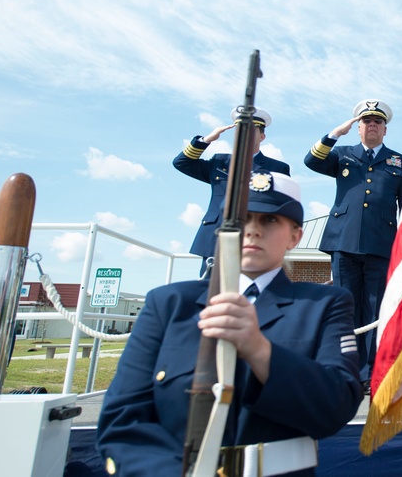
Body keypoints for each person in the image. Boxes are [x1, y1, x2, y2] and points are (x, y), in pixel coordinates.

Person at [97, 172, 361, 476]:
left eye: (270, 220)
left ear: (295, 237)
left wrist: (261, 351)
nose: (252, 231)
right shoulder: (168, 304)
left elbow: (336, 407)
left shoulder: (324, 305)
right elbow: (123, 421)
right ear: (222, 231)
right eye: (241, 219)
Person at [304, 100, 402, 391]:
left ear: (385, 130)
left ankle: (370, 373)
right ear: (358, 128)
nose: (372, 125)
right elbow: (311, 161)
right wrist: (335, 134)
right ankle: (345, 368)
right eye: (366, 121)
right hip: (343, 241)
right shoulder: (341, 155)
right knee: (346, 306)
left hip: (381, 243)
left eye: (377, 121)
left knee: (375, 310)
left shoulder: (399, 162)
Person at [173, 108, 290, 274]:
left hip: (254, 240)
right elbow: (182, 163)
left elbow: (281, 207)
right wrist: (206, 140)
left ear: (262, 137)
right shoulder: (219, 162)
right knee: (209, 293)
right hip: (216, 238)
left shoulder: (277, 168)